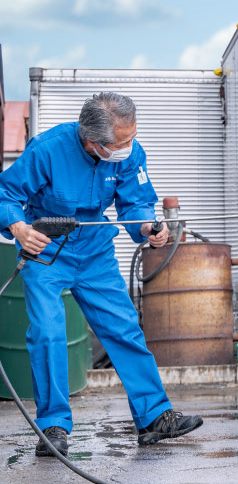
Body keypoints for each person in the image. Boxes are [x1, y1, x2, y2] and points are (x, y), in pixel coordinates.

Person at [0, 92, 202, 456]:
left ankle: (155, 417)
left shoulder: (129, 152)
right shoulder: (46, 150)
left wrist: (148, 229)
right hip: (46, 249)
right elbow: (6, 193)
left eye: (132, 137)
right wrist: (18, 227)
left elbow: (136, 202)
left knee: (124, 328)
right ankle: (53, 427)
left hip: (94, 249)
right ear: (92, 141)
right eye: (122, 142)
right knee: (48, 333)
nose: (130, 146)